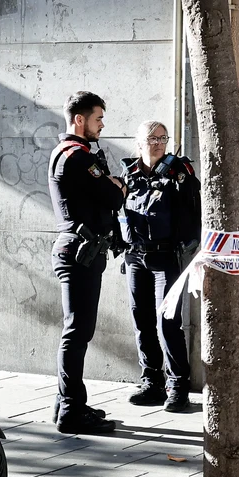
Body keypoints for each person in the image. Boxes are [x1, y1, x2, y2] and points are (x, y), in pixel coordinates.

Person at [49, 91, 125, 434]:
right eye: (97, 119)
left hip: (80, 249)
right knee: (78, 332)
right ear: (79, 120)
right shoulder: (77, 157)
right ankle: (70, 411)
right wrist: (116, 184)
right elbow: (112, 196)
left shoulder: (68, 153)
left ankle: (67, 402)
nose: (102, 125)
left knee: (77, 330)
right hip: (80, 253)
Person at [121, 121, 202, 412]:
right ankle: (151, 381)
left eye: (163, 138)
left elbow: (194, 208)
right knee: (141, 321)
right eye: (152, 138)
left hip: (167, 258)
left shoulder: (178, 172)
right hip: (135, 257)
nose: (158, 143)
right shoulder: (129, 173)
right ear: (139, 142)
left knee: (167, 322)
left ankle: (178, 386)